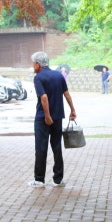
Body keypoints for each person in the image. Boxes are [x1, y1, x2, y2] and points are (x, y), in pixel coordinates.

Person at [30, 51, 77, 188]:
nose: (33, 66)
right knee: (57, 147)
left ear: (38, 64)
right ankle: (58, 179)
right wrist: (72, 110)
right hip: (58, 117)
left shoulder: (38, 77)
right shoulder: (58, 75)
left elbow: (43, 98)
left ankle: (39, 179)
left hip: (43, 118)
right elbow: (66, 94)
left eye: (33, 63)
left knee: (41, 147)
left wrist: (47, 116)